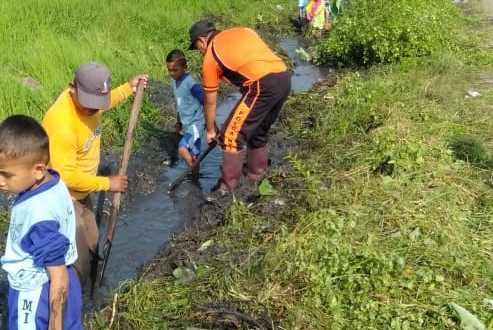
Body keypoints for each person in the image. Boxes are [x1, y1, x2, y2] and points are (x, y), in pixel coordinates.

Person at [41, 62, 148, 293]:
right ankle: (71, 303)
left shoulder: (91, 101)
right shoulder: (62, 124)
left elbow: (105, 102)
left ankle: (92, 291)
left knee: (92, 243)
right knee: (75, 259)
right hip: (62, 197)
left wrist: (128, 88)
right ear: (72, 88)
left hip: (82, 192)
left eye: (97, 104)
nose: (93, 110)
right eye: (89, 105)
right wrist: (107, 183)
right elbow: (65, 175)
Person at [187, 20, 291, 201]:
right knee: (258, 132)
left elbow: (210, 102)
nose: (200, 52)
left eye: (197, 47)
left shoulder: (211, 55)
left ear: (202, 41)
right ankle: (255, 179)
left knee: (231, 137)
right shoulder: (243, 31)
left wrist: (211, 130)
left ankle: (226, 193)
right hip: (282, 77)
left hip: (262, 85)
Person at [0, 115, 83, 330]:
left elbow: (58, 277)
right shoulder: (53, 181)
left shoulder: (38, 216)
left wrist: (54, 324)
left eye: (6, 175)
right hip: (68, 282)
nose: (0, 181)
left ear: (38, 170)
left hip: (37, 292)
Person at [166, 49, 205, 182]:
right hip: (188, 123)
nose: (171, 73)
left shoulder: (190, 82)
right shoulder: (174, 82)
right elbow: (180, 103)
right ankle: (195, 179)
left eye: (175, 70)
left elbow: (204, 100)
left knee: (182, 149)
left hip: (196, 122)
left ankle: (193, 172)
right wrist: (178, 121)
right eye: (169, 70)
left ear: (184, 67)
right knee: (194, 154)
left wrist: (211, 126)